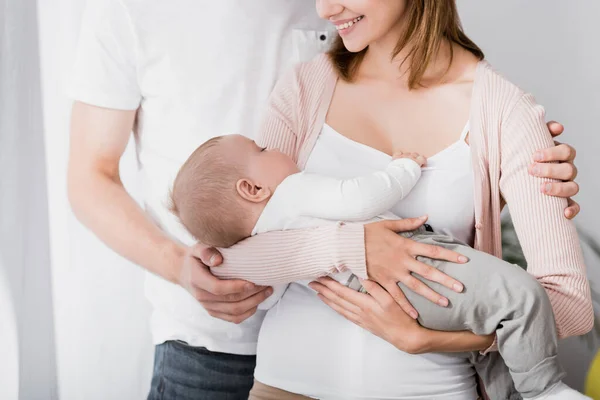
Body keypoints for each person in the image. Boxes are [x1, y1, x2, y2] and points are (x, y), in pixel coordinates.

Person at [66, 0, 584, 399]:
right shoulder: (307, 85)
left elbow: (567, 304)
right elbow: (235, 252)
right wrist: (351, 246)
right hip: (274, 383)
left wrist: (433, 339)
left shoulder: (504, 110)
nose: (323, 9)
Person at [169, 133, 586, 399]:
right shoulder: (292, 187)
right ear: (252, 188)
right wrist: (403, 167)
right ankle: (543, 390)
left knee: (495, 339)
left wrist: (422, 340)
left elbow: (256, 286)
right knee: (515, 300)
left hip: (408, 323)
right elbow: (361, 199)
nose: (271, 146)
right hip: (293, 379)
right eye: (261, 150)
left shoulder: (263, 231)